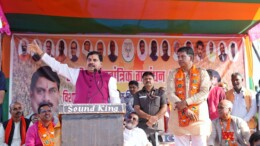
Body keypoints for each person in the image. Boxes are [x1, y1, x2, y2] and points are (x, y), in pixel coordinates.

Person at [29, 43, 120, 104]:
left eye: (95, 60)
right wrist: (41, 53)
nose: (91, 62)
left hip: (101, 121)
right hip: (78, 120)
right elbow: (58, 67)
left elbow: (115, 101)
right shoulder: (78, 74)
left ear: (101, 64)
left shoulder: (109, 79)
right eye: (89, 60)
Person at [166, 46, 211, 146]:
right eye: (178, 57)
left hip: (198, 117)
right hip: (179, 116)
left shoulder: (202, 73)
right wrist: (185, 109)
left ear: (191, 58)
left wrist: (186, 102)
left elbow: (204, 92)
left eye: (183, 56)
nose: (180, 59)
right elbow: (170, 93)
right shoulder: (173, 73)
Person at [134, 71, 167, 145]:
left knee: (158, 144)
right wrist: (149, 118)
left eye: (150, 78)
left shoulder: (160, 92)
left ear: (153, 80)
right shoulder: (138, 94)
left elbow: (164, 107)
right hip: (143, 126)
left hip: (157, 125)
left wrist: (155, 118)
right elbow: (137, 109)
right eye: (145, 79)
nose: (148, 80)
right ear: (143, 80)